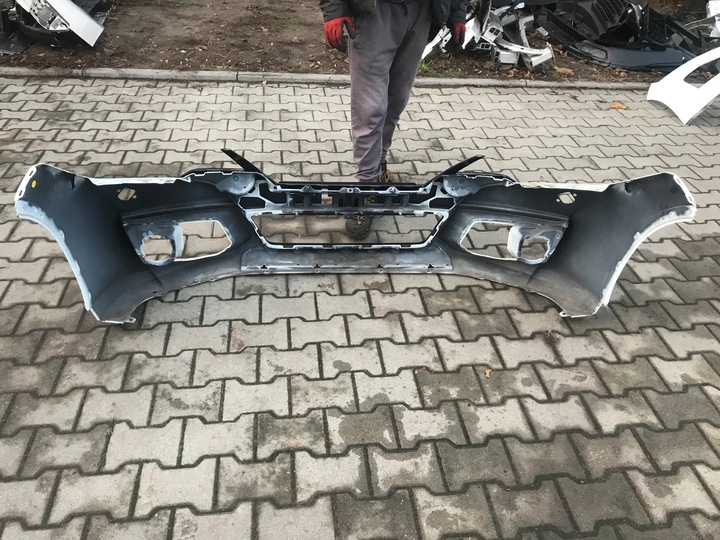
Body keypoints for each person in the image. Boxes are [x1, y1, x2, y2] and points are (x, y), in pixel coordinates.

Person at [320, 0, 468, 238]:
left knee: (396, 99)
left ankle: (378, 165)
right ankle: (366, 188)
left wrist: (458, 12)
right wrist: (334, 9)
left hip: (422, 13)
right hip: (376, 13)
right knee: (370, 108)